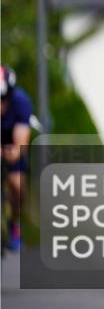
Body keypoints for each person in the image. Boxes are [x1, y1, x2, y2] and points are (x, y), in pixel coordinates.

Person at [1, 65, 32, 252]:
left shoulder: (21, 101)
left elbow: (21, 142)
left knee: (18, 186)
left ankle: (15, 224)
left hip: (12, 141)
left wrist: (13, 153)